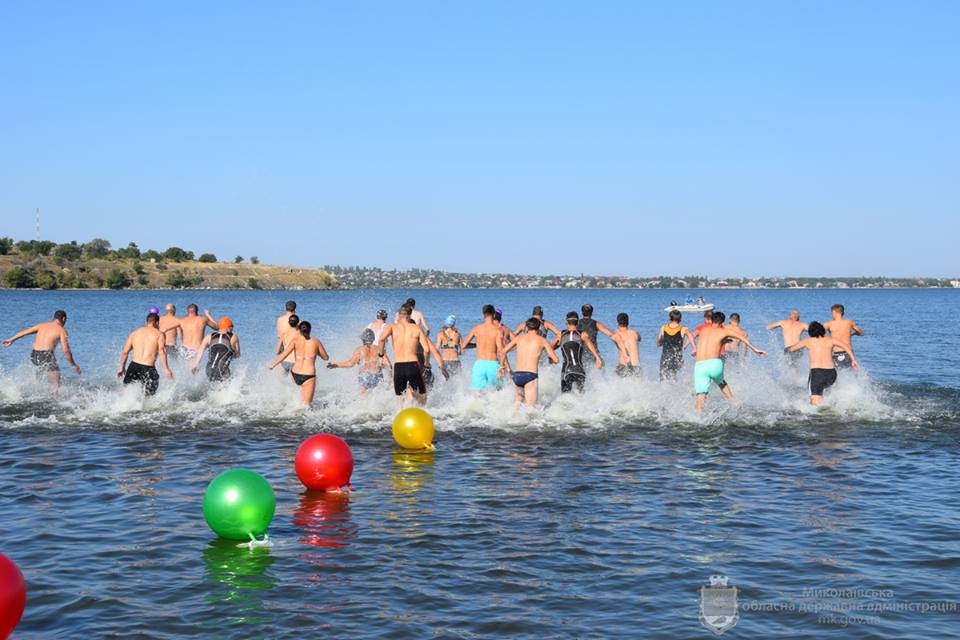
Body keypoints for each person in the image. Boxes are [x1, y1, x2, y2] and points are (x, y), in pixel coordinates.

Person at [693, 311, 766, 412]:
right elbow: (743, 338)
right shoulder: (724, 331)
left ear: (711, 320)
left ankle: (697, 416)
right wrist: (756, 349)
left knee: (700, 398)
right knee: (721, 382)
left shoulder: (703, 330)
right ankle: (734, 401)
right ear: (722, 323)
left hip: (700, 365)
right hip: (715, 364)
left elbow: (709, 342)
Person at [378, 306, 447, 406]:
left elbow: (381, 340)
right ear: (409, 316)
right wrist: (427, 363)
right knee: (423, 396)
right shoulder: (416, 328)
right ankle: (418, 406)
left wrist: (381, 355)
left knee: (399, 397)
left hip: (399, 366)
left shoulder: (391, 327)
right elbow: (427, 350)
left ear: (399, 316)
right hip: (413, 366)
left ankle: (401, 414)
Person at [3, 309, 81, 392]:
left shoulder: (41, 325)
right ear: (64, 319)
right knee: (56, 385)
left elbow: (24, 332)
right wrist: (73, 365)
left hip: (34, 354)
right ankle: (54, 401)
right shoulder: (62, 331)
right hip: (46, 355)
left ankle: (20, 391)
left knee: (38, 380)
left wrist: (11, 340)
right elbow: (66, 350)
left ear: (54, 318)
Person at [787, 321, 859, 405]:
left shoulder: (808, 341)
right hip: (831, 374)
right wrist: (853, 360)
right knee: (827, 396)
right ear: (822, 330)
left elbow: (791, 349)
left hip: (817, 374)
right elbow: (846, 347)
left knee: (815, 404)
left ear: (810, 332)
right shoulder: (831, 340)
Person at [500, 317, 559, 409]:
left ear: (526, 328)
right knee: (531, 408)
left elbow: (503, 351)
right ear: (539, 328)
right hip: (530, 376)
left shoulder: (518, 338)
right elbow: (556, 360)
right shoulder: (542, 340)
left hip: (517, 375)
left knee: (518, 404)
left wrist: (501, 367)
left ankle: (512, 420)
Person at [268, 321, 329, 405]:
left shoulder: (295, 341)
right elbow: (326, 358)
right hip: (309, 376)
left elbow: (285, 354)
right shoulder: (316, 342)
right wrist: (316, 352)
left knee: (299, 398)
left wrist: (273, 364)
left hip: (295, 374)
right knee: (306, 405)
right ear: (310, 330)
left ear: (299, 330)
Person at [118, 312, 173, 396]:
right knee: (149, 395)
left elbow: (125, 352)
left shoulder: (135, 333)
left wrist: (121, 367)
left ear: (146, 322)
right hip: (148, 368)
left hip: (133, 366)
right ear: (157, 323)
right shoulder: (160, 334)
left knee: (126, 392)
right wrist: (166, 369)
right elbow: (162, 351)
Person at [328, 329, 392, 393]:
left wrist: (336, 365)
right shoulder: (379, 349)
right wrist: (390, 379)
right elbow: (389, 365)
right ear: (373, 339)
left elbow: (350, 363)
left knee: (363, 399)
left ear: (363, 340)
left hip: (364, 376)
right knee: (377, 396)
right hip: (376, 376)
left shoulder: (359, 350)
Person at [554, 312, 603, 393]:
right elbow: (591, 345)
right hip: (579, 370)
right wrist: (597, 358)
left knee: (565, 395)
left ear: (566, 322)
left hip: (566, 371)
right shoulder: (582, 334)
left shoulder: (561, 334)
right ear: (578, 322)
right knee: (581, 394)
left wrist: (552, 355)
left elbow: (551, 347)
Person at [461, 305, 506, 391]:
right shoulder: (497, 331)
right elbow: (502, 351)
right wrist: (501, 367)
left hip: (479, 365)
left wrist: (476, 345)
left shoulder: (476, 329)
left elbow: (463, 345)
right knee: (495, 393)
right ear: (494, 315)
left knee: (477, 394)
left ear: (483, 315)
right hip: (493, 364)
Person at [191, 317, 240, 382]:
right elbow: (238, 355)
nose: (232, 330)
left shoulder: (209, 336)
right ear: (228, 328)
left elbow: (200, 351)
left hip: (209, 369)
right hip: (222, 369)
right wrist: (231, 354)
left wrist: (196, 364)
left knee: (212, 387)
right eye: (232, 328)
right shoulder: (233, 337)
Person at [656, 310, 696, 381]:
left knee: (663, 377)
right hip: (677, 357)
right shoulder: (683, 329)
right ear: (680, 319)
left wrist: (660, 341)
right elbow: (690, 335)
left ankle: (665, 391)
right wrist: (694, 348)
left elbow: (658, 343)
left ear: (669, 318)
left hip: (665, 357)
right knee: (673, 376)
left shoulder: (664, 328)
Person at [823, 304, 864, 370]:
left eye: (832, 313)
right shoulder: (849, 322)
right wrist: (853, 334)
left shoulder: (828, 324)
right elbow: (861, 333)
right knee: (851, 374)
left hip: (836, 353)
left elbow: (819, 335)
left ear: (834, 312)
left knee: (837, 374)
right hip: (848, 353)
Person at [610, 313, 642, 377]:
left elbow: (614, 338)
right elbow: (639, 339)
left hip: (624, 365)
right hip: (636, 366)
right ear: (628, 322)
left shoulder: (616, 335)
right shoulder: (635, 333)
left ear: (617, 322)